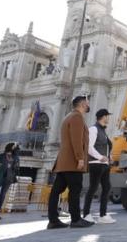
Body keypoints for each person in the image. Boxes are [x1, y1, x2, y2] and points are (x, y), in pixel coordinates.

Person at [47, 96, 93, 229]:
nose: (88, 105)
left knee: (56, 191)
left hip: (63, 162)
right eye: (87, 103)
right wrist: (80, 158)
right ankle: (76, 219)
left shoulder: (69, 116)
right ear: (83, 104)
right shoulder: (77, 117)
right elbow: (76, 140)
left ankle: (53, 220)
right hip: (72, 162)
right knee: (75, 191)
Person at [83, 108, 115, 224]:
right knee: (93, 188)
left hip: (104, 164)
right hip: (96, 164)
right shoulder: (93, 129)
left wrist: (109, 156)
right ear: (103, 117)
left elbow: (105, 147)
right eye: (107, 116)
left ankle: (103, 215)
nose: (108, 118)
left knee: (106, 187)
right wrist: (100, 157)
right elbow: (89, 147)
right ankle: (86, 214)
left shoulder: (103, 131)